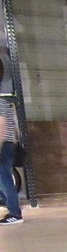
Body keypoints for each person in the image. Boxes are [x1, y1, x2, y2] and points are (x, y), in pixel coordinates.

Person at [0, 96, 22, 225]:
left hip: (4, 146)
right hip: (5, 145)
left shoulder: (0, 103)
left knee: (5, 180)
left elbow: (1, 125)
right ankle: (12, 209)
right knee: (3, 180)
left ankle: (15, 213)